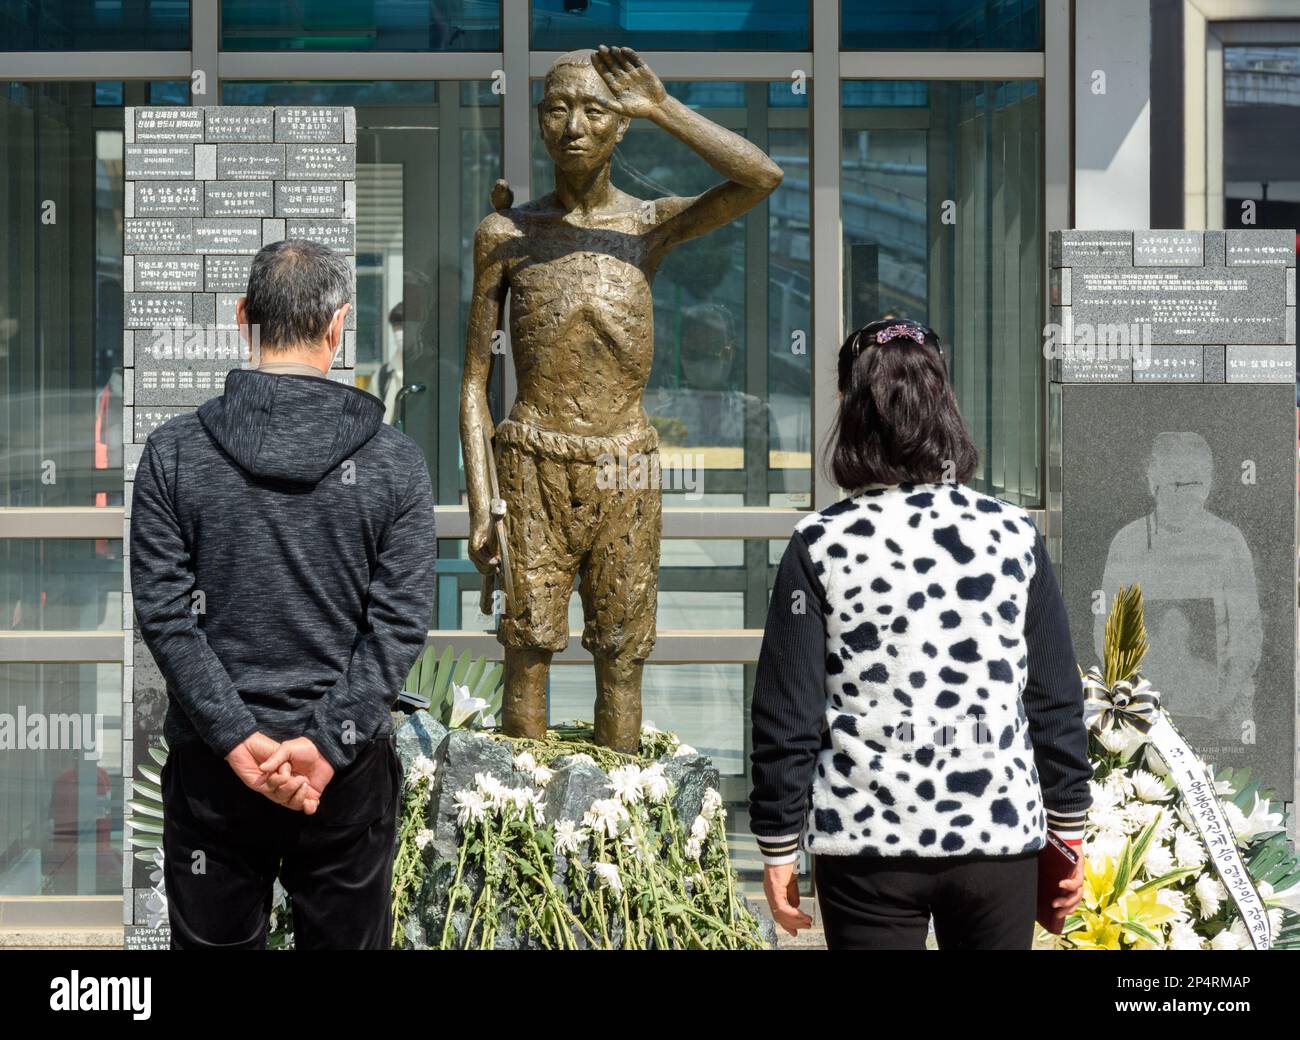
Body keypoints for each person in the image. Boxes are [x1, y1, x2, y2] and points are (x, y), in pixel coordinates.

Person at [460, 44, 782, 751]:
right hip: (532, 463)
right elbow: (474, 384)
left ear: (620, 125)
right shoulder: (508, 234)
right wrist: (482, 502)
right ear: (540, 123)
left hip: (625, 467)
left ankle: (622, 832)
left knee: (622, 655)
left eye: (594, 110)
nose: (573, 125)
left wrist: (662, 106)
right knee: (528, 650)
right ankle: (518, 836)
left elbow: (761, 175)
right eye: (557, 110)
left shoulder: (648, 226)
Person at [130, 239, 437, 949]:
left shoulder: (175, 453)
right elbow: (397, 627)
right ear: (338, 329)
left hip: (215, 772)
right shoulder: (394, 462)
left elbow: (168, 618)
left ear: (244, 317)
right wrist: (327, 745)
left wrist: (238, 741)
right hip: (346, 774)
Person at [748, 317, 1091, 950]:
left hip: (867, 844)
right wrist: (1068, 830)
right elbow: (1053, 697)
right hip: (997, 836)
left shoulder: (819, 544)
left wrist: (776, 842)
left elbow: (787, 714)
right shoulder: (1014, 536)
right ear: (944, 407)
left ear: (854, 412)